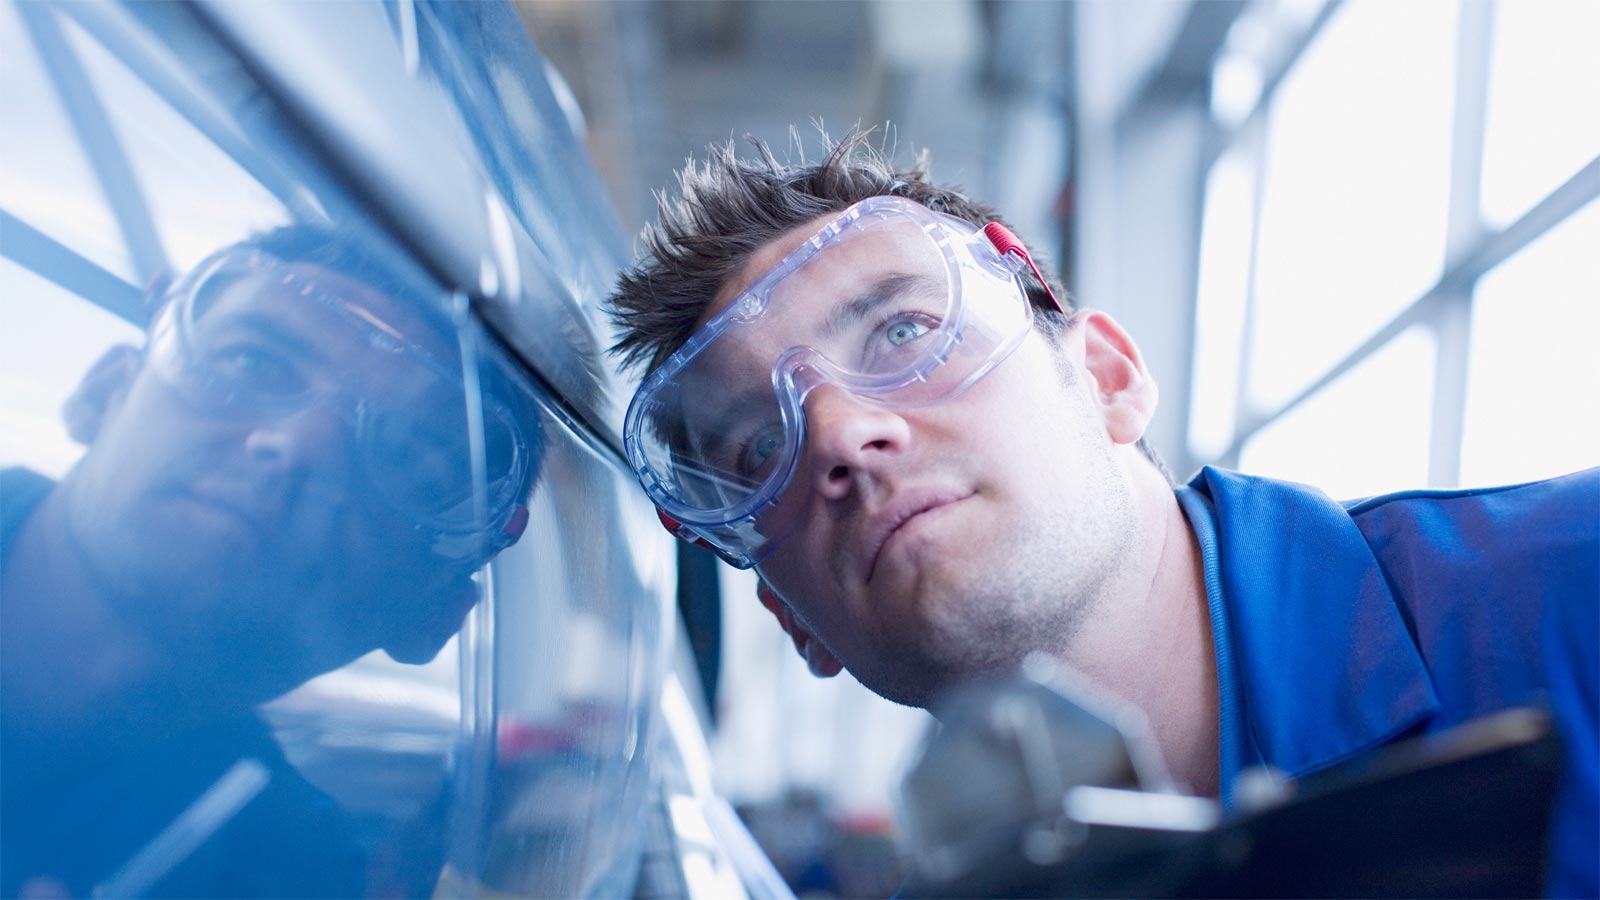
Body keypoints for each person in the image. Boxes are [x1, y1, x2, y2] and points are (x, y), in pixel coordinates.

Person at [605, 132, 1598, 896]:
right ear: (790, 620)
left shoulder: (1571, 600)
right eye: (756, 447)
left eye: (903, 327)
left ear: (1107, 377)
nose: (835, 434)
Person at [1, 225, 542, 897]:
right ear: (104, 391)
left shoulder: (292, 874)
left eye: (410, 458)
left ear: (432, 616)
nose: (301, 445)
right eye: (250, 364)